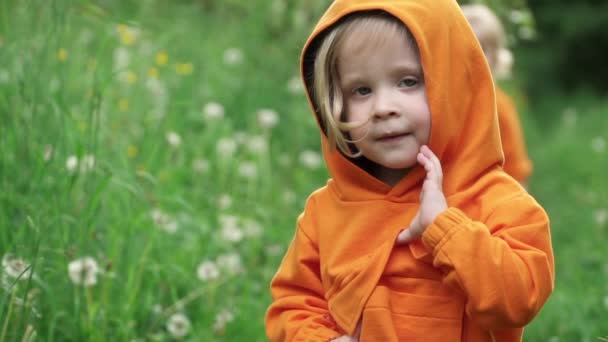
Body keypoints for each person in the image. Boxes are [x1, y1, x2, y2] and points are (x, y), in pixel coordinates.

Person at [265, 0, 554, 341]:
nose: (383, 108)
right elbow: (293, 304)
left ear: (455, 84)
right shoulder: (325, 212)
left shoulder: (498, 203)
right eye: (361, 90)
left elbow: (520, 299)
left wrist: (445, 229)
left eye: (408, 81)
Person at [462, 4, 533, 185]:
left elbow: (516, 168)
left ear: (495, 57)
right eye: (465, 47)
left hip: (491, 192)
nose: (472, 55)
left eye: (481, 49)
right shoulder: (441, 102)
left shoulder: (499, 107)